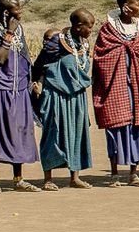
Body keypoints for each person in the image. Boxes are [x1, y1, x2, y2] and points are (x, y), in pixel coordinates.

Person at [0, 0, 40, 193]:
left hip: (19, 88)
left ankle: (18, 179)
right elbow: (0, 59)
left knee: (20, 130)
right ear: (6, 12)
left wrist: (32, 82)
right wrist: (8, 35)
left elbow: (24, 55)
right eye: (17, 8)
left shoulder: (19, 29)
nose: (20, 12)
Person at [92, 0, 139, 186]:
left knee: (137, 126)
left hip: (136, 83)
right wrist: (121, 55)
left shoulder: (138, 28)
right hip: (115, 84)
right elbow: (101, 57)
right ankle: (114, 173)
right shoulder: (107, 29)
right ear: (126, 7)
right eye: (137, 4)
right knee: (117, 127)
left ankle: (134, 173)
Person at [32, 10, 96, 190]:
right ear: (78, 27)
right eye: (89, 27)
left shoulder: (83, 44)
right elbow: (38, 66)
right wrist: (38, 85)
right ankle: (48, 179)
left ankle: (75, 177)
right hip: (55, 95)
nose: (91, 30)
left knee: (77, 134)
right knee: (53, 133)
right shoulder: (56, 42)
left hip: (77, 95)